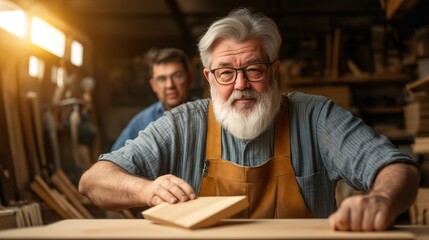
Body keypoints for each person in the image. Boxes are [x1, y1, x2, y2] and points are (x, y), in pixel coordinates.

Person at [79, 8, 420, 232]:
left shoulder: (315, 117)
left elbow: (396, 167)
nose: (240, 85)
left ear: (274, 71)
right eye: (226, 72)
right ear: (209, 77)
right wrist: (147, 188)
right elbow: (94, 181)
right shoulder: (183, 125)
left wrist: (382, 199)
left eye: (253, 69)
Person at [111, 48, 194, 151]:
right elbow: (113, 157)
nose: (170, 85)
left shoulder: (209, 114)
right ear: (154, 85)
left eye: (177, 76)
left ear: (189, 78)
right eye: (162, 79)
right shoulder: (141, 123)